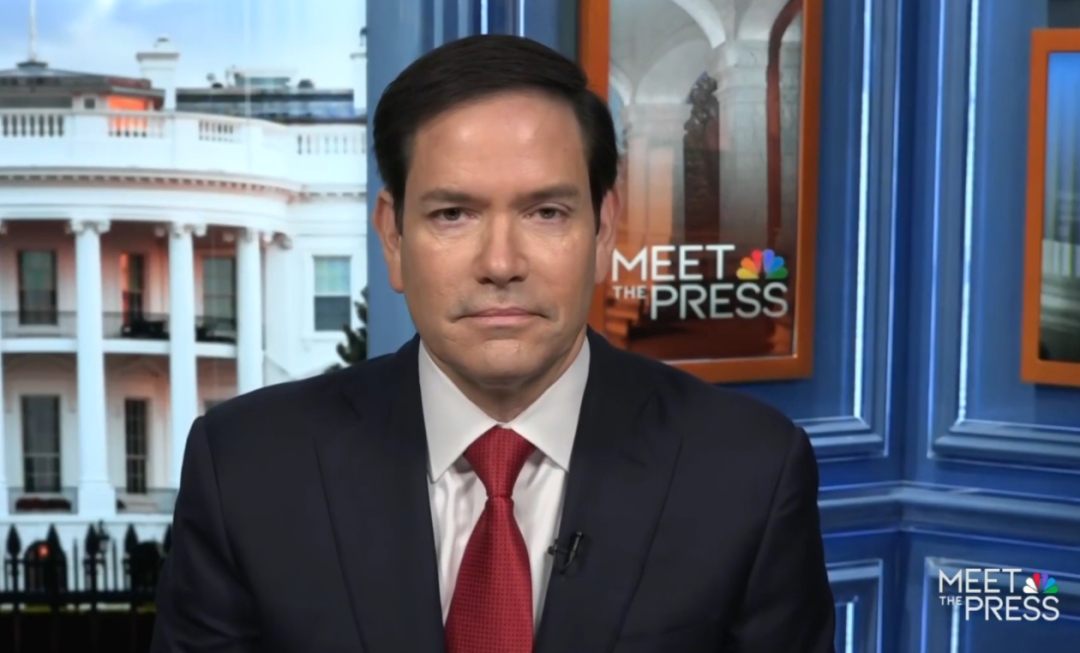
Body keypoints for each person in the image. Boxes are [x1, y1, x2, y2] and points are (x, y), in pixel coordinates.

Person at [150, 34, 835, 653]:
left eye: (546, 212)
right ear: (393, 236)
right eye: (454, 213)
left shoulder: (750, 472)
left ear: (603, 231)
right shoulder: (245, 470)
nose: (501, 263)